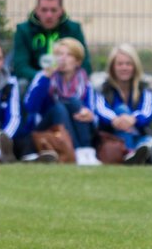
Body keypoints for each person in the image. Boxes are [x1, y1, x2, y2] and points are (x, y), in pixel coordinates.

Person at [24, 37, 99, 165]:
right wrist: (47, 77)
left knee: (75, 102)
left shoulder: (85, 83)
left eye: (69, 55)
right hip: (47, 127)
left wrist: (89, 114)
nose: (62, 58)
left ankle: (86, 151)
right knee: (59, 108)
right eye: (59, 54)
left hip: (79, 127)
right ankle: (76, 151)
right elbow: (31, 107)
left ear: (78, 61)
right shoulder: (43, 76)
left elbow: (94, 112)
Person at [92, 44, 152, 165]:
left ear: (135, 66)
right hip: (112, 137)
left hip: (138, 133)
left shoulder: (146, 86)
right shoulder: (102, 87)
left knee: (148, 141)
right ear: (112, 67)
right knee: (122, 109)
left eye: (128, 64)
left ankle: (133, 153)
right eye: (120, 64)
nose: (124, 68)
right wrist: (115, 119)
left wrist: (132, 119)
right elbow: (101, 110)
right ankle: (130, 153)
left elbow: (147, 113)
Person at [11, 0, 91, 85]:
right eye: (44, 10)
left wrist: (65, 79)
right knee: (22, 84)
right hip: (35, 80)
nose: (49, 15)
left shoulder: (73, 29)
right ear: (37, 10)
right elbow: (21, 66)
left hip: (67, 80)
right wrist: (45, 77)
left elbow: (84, 63)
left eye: (53, 10)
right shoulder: (23, 30)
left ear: (61, 11)